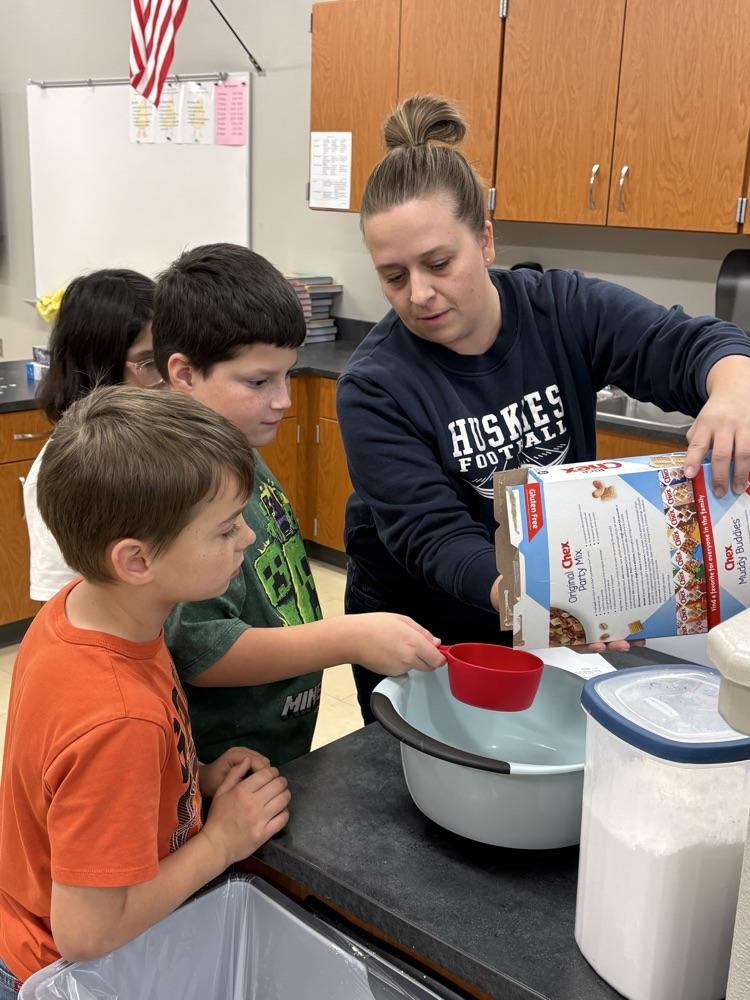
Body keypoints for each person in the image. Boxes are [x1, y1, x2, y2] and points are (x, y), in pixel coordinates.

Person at [335, 94, 750, 723]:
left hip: (541, 596)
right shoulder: (373, 385)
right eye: (393, 276)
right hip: (426, 622)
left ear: (486, 240)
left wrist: (735, 388)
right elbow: (433, 535)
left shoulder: (564, 308)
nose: (419, 294)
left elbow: (689, 344)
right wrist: (530, 595)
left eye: (439, 263)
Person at [0, 386, 291, 993]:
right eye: (225, 529)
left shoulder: (88, 610)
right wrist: (220, 842)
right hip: (67, 968)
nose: (247, 540)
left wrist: (194, 775)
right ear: (135, 561)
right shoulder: (119, 718)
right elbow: (87, 931)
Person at [151, 243, 445, 766]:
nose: (284, 399)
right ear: (185, 373)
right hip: (230, 764)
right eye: (259, 381)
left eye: (287, 375)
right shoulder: (183, 488)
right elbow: (204, 650)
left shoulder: (236, 449)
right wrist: (345, 640)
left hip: (279, 743)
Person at [24, 268, 164, 601]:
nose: (168, 379)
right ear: (101, 365)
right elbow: (60, 603)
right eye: (149, 363)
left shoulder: (165, 432)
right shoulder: (62, 472)